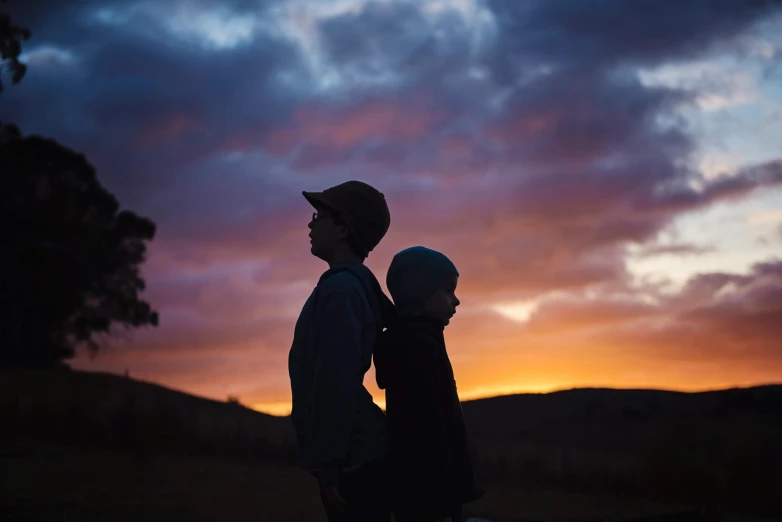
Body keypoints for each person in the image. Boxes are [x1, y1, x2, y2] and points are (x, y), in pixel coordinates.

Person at [288, 180, 395, 522]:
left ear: (344, 228)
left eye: (319, 215)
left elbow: (335, 381)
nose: (310, 223)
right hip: (355, 456)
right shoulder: (347, 287)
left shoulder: (341, 292)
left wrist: (329, 467)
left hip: (354, 462)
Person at [375, 246, 484, 522]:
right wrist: (438, 506)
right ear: (420, 293)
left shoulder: (423, 341)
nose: (456, 301)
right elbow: (425, 433)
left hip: (427, 496)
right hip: (427, 501)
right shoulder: (418, 347)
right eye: (448, 291)